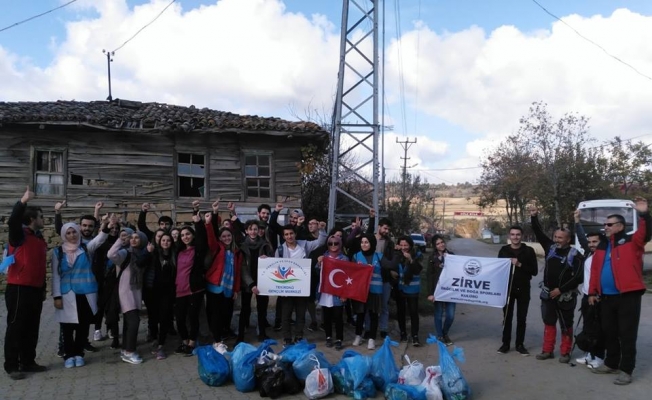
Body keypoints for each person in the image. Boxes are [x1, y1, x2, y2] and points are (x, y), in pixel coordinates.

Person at [587, 198, 651, 385]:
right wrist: (592, 292)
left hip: (628, 296)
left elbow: (646, 233)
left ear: (620, 225)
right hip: (606, 297)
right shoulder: (602, 244)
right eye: (604, 224)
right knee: (609, 332)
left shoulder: (632, 240)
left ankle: (626, 369)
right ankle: (611, 363)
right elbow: (595, 270)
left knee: (627, 334)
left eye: (609, 224)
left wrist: (644, 214)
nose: (605, 226)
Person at [52, 217, 111, 368]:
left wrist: (106, 226)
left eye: (74, 232)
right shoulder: (58, 252)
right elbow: (56, 275)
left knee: (82, 326)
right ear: (64, 235)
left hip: (86, 293)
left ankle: (79, 353)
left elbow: (99, 240)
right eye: (69, 233)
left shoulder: (85, 248)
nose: (72, 235)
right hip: (66, 294)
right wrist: (56, 296)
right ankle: (68, 355)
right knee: (67, 327)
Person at [4, 187, 48, 380]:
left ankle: (28, 361)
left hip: (35, 289)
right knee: (16, 326)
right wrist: (23, 201)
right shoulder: (19, 236)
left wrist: (43, 289)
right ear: (32, 219)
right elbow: (13, 220)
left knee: (32, 327)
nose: (43, 219)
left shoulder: (39, 240)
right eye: (41, 216)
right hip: (19, 288)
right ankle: (12, 366)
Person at [530, 205, 583, 364]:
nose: (556, 240)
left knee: (566, 324)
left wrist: (561, 290)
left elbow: (579, 277)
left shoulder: (575, 255)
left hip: (565, 296)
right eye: (555, 237)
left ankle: (565, 352)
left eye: (560, 238)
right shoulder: (550, 248)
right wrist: (534, 217)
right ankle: (547, 350)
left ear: (568, 239)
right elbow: (539, 233)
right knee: (548, 322)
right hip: (547, 295)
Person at [276, 224, 326, 346]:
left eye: (291, 233)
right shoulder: (280, 250)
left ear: (295, 234)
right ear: (283, 236)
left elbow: (321, 241)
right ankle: (287, 338)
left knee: (301, 313)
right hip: (286, 287)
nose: (289, 236)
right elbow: (275, 267)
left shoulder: (304, 244)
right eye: (286, 234)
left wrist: (321, 229)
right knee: (286, 314)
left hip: (301, 286)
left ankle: (299, 336)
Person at [107, 229, 150, 364]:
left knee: (128, 322)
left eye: (137, 238)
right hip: (126, 291)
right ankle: (130, 351)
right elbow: (111, 254)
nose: (133, 240)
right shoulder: (126, 253)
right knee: (134, 321)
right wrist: (120, 240)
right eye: (132, 238)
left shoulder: (144, 254)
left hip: (136, 292)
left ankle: (126, 349)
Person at [497, 226, 538, 356]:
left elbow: (534, 271)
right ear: (509, 236)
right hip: (507, 289)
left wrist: (519, 264)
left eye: (518, 234)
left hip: (523, 289)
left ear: (522, 236)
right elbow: (497, 269)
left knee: (521, 318)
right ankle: (505, 344)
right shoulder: (504, 250)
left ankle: (520, 344)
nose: (515, 237)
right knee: (507, 317)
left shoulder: (529, 251)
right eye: (513, 234)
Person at [172, 214, 208, 356]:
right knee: (180, 318)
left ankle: (192, 342)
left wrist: (198, 221)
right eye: (182, 235)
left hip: (194, 289)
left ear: (192, 236)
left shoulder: (197, 250)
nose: (185, 237)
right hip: (179, 290)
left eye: (188, 234)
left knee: (193, 317)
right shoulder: (178, 251)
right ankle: (185, 341)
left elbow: (203, 238)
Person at [573, 211, 604, 369]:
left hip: (598, 297)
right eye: (590, 242)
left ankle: (599, 357)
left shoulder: (604, 256)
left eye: (595, 242)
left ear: (601, 242)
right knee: (587, 326)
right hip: (586, 295)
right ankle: (589, 354)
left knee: (598, 328)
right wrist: (577, 221)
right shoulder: (589, 254)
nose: (591, 244)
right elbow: (581, 238)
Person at [205, 213, 242, 344]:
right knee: (215, 313)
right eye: (224, 236)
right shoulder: (217, 248)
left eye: (228, 236)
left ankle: (221, 334)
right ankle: (216, 340)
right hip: (215, 286)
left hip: (229, 287)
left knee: (225, 313)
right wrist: (208, 224)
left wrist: (236, 290)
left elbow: (237, 272)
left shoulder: (236, 252)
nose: (226, 238)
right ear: (220, 238)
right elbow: (210, 238)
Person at [143, 232, 177, 360]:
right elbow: (141, 263)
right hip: (152, 291)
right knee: (153, 318)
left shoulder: (174, 255)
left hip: (167, 293)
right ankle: (154, 338)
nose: (166, 243)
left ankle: (161, 344)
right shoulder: (154, 253)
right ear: (159, 241)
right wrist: (148, 252)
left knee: (164, 318)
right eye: (163, 240)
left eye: (168, 240)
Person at [239, 220, 275, 343]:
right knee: (245, 309)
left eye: (255, 229)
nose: (253, 231)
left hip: (263, 282)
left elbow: (273, 263)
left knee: (262, 309)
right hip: (248, 282)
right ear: (246, 231)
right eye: (251, 229)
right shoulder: (242, 246)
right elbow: (242, 267)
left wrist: (268, 258)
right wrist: (251, 284)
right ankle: (240, 336)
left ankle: (262, 333)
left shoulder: (265, 245)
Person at [351, 233, 389, 350]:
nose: (364, 244)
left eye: (366, 242)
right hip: (360, 290)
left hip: (375, 290)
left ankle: (372, 339)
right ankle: (358, 335)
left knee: (373, 315)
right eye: (362, 242)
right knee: (360, 314)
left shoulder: (379, 256)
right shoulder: (356, 256)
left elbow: (390, 265)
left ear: (372, 243)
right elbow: (351, 272)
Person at [316, 235, 348, 350]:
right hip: (326, 292)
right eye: (330, 243)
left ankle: (339, 338)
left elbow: (347, 277)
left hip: (338, 293)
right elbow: (317, 272)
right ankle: (328, 337)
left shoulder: (344, 259)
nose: (333, 246)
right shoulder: (323, 257)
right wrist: (319, 263)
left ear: (340, 244)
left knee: (338, 317)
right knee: (327, 317)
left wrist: (345, 293)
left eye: (336, 243)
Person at [393, 236, 423, 346]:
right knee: (401, 312)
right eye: (401, 245)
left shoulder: (417, 254)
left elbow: (418, 270)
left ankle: (415, 335)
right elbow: (391, 266)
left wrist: (411, 260)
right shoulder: (396, 254)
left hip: (413, 288)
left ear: (410, 245)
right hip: (400, 288)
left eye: (406, 245)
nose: (404, 247)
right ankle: (403, 333)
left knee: (413, 312)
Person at [427, 235, 456, 346]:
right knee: (438, 314)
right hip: (437, 290)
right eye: (438, 243)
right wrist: (430, 293)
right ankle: (440, 335)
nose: (441, 245)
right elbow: (429, 275)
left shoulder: (452, 255)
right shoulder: (432, 258)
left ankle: (445, 333)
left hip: (451, 290)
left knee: (450, 315)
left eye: (442, 242)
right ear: (435, 246)